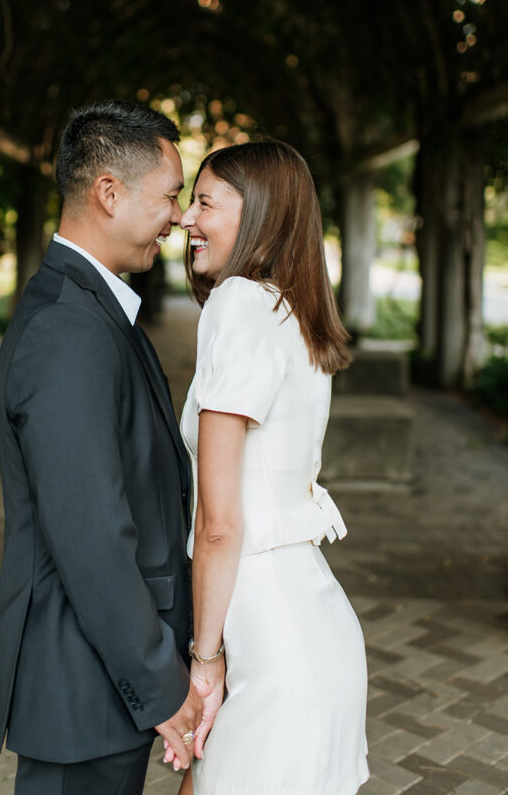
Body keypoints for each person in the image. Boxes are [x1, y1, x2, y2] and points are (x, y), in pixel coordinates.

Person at [0, 101, 204, 795]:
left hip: (99, 682)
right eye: (171, 195)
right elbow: (90, 533)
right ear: (108, 193)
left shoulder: (91, 306)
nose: (178, 217)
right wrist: (161, 684)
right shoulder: (69, 329)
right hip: (82, 686)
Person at [173, 140, 369, 795]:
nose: (186, 219)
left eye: (204, 202)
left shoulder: (239, 305)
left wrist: (204, 661)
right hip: (307, 624)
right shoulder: (293, 311)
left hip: (270, 640)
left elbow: (220, 523)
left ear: (257, 213)